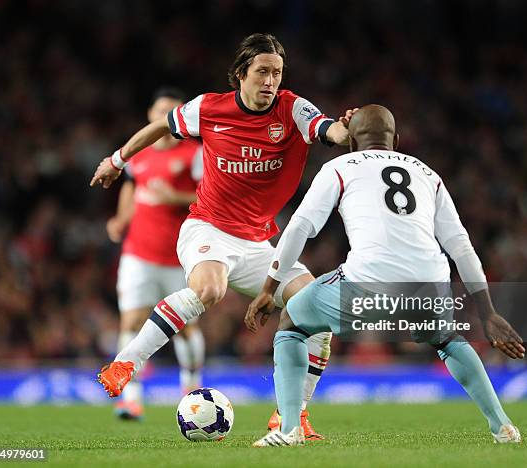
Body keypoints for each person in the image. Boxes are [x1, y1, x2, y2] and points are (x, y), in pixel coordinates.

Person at [90, 33, 354, 439]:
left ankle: (293, 415)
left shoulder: (292, 108)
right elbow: (160, 126)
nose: (271, 81)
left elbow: (328, 130)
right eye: (262, 72)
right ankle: (127, 362)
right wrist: (116, 160)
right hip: (207, 228)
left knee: (318, 313)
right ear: (240, 75)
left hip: (259, 243)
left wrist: (346, 130)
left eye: (277, 73)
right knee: (209, 289)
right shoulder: (210, 107)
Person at [246, 104, 526, 447]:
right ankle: (503, 427)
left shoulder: (340, 166)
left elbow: (300, 228)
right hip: (430, 285)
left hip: (367, 282)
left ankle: (289, 430)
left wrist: (269, 287)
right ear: (396, 139)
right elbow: (461, 247)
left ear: (352, 141)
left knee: (292, 321)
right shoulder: (427, 173)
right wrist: (488, 313)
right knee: (448, 339)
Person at [106, 88, 205, 420]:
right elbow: (131, 186)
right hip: (138, 253)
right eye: (161, 110)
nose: (166, 116)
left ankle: (190, 386)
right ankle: (130, 397)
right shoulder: (139, 154)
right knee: (131, 320)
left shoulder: (193, 153)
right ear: (151, 115)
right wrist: (122, 219)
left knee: (185, 327)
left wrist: (174, 197)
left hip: (180, 255)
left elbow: (207, 197)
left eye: (173, 111)